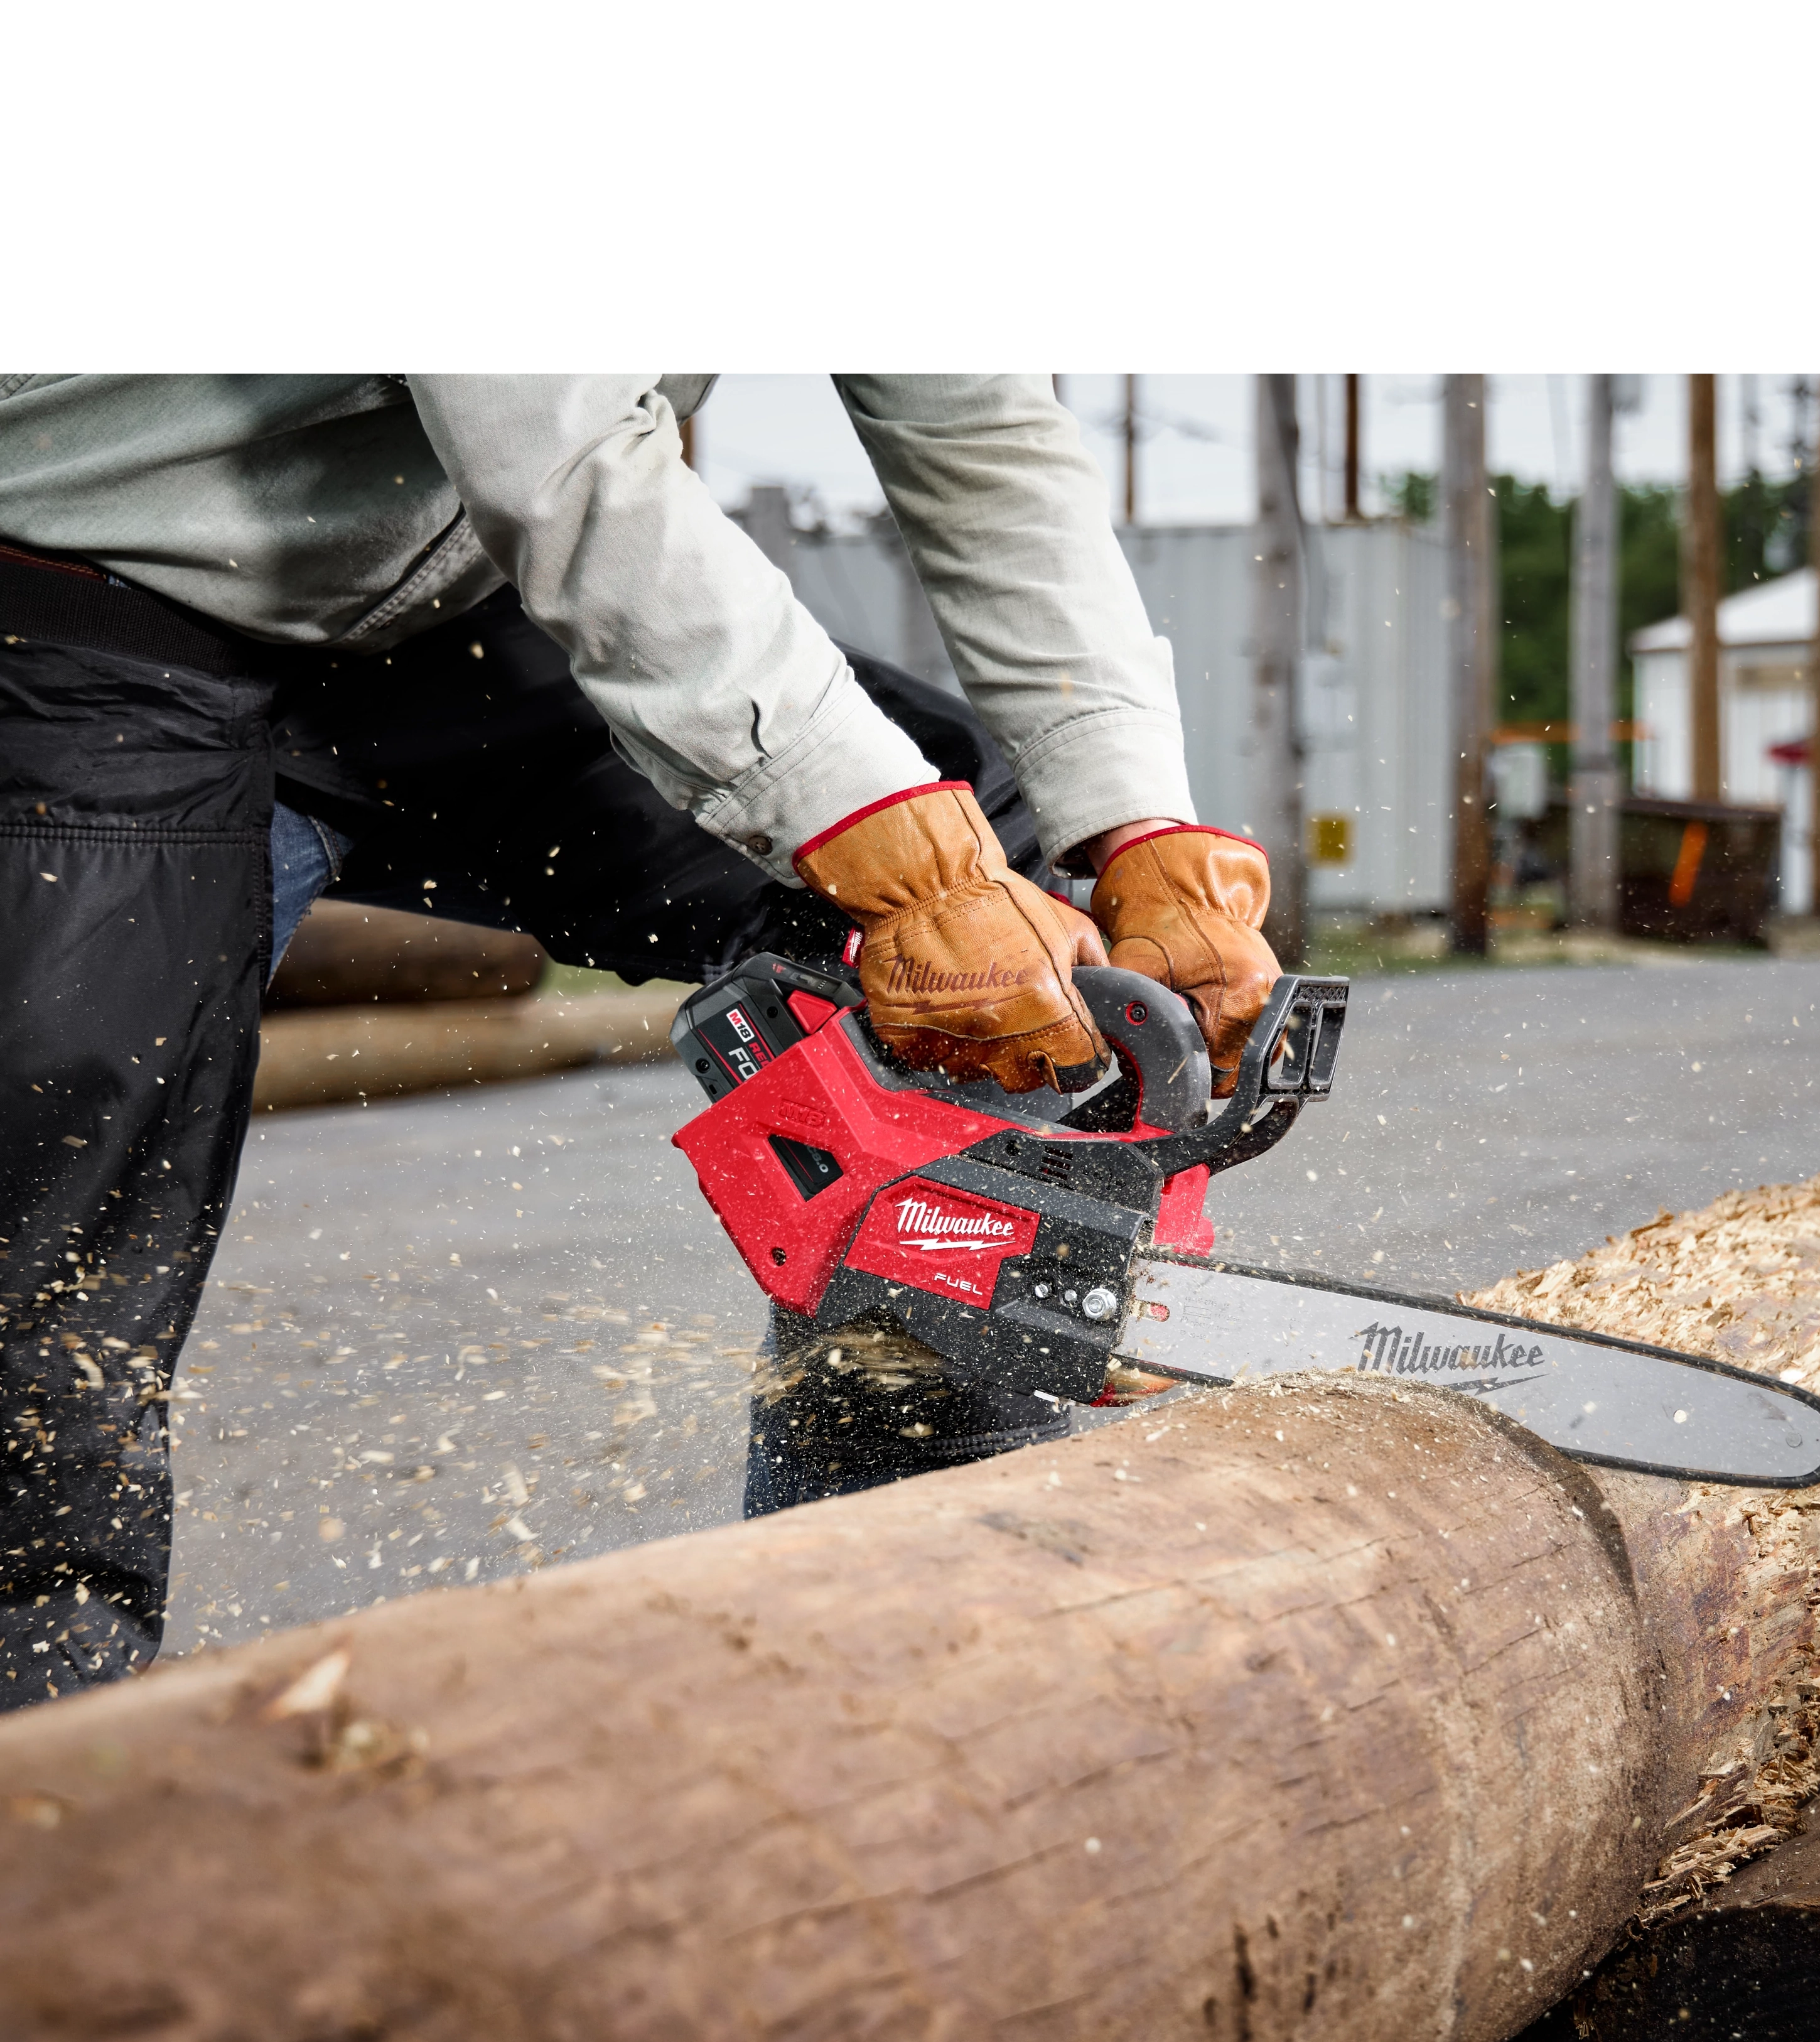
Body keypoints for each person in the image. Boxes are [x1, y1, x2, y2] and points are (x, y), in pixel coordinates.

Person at [0, 372, 1278, 1707]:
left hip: (439, 605)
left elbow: (982, 429)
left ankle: (893, 1656)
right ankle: (52, 1798)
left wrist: (1131, 817)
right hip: (82, 605)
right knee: (48, 1243)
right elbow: (554, 447)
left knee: (1004, 903)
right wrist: (889, 847)